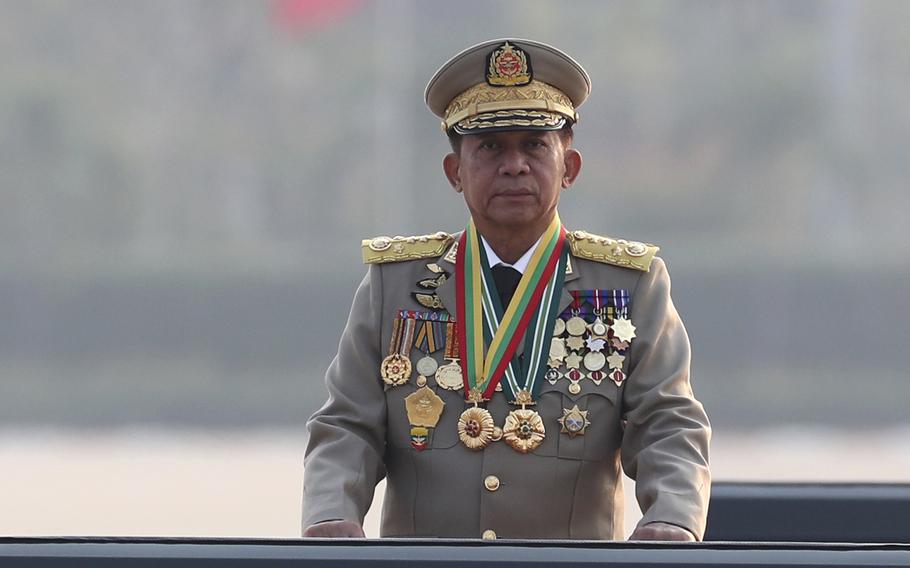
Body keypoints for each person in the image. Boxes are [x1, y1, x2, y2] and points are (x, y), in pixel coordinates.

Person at [302, 38, 710, 541]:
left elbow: (669, 425)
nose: (514, 165)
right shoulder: (397, 285)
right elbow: (347, 426)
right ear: (455, 172)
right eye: (491, 147)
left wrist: (672, 519)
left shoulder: (627, 286)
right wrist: (330, 513)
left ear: (570, 168)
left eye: (534, 145)